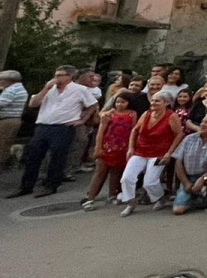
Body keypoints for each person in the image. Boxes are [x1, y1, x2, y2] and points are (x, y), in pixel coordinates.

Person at [7, 66, 98, 199]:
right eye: (56, 75)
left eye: (60, 75)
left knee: (57, 156)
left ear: (69, 76)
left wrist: (82, 119)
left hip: (63, 126)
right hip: (43, 125)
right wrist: (46, 89)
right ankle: (26, 185)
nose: (57, 78)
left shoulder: (80, 90)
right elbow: (33, 104)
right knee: (34, 156)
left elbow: (92, 104)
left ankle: (51, 184)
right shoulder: (50, 89)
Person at [118, 92, 184, 216]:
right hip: (140, 150)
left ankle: (160, 198)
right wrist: (131, 148)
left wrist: (169, 153)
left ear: (166, 103)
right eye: (152, 100)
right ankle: (131, 203)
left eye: (157, 101)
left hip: (159, 153)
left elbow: (179, 134)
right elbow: (135, 130)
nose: (153, 103)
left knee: (150, 182)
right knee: (127, 177)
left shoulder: (171, 116)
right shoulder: (146, 113)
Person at [81, 91, 137, 210]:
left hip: (123, 147)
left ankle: (112, 195)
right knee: (100, 172)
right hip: (107, 146)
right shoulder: (109, 114)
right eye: (118, 102)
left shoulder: (132, 114)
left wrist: (131, 146)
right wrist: (98, 146)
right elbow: (101, 131)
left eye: (123, 102)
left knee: (116, 171)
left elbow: (134, 130)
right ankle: (91, 198)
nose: (120, 104)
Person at [171, 113, 207, 214]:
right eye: (202, 121)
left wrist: (203, 178)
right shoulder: (189, 138)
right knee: (178, 210)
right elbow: (178, 162)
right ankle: (194, 195)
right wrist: (185, 182)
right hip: (189, 176)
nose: (202, 124)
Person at [0, 70, 29, 170]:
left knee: (2, 145)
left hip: (7, 120)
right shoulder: (16, 88)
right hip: (10, 119)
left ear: (9, 80)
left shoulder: (12, 90)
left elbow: (1, 103)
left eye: (1, 79)